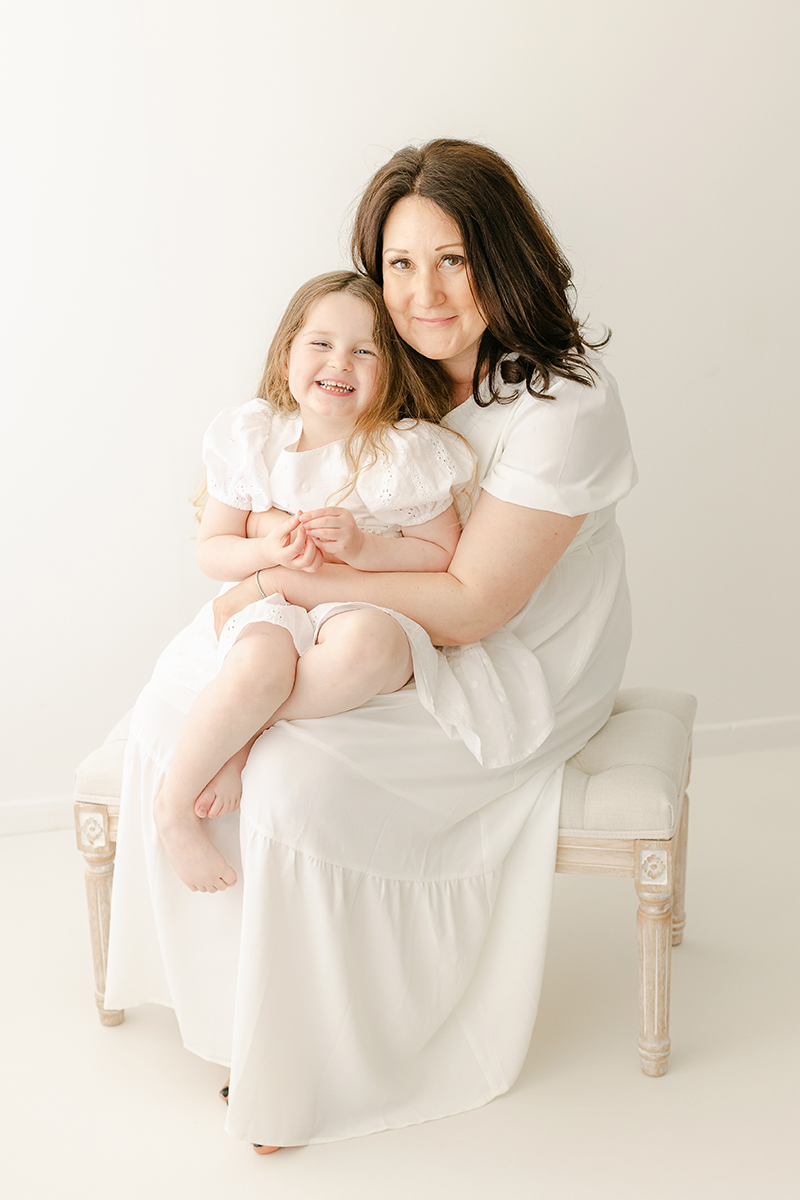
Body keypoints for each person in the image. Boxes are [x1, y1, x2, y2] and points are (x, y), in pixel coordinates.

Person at [105, 138, 637, 1154]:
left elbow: (475, 601)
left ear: (504, 256)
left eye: (452, 258)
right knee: (185, 704)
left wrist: (289, 577)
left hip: (515, 652)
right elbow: (270, 475)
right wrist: (268, 555)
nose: (422, 291)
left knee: (298, 776)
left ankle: (324, 1059)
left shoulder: (562, 404)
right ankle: (240, 1021)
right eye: (399, 263)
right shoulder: (384, 367)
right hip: (366, 614)